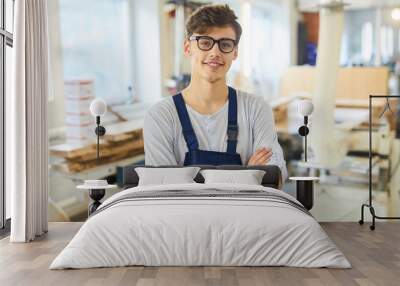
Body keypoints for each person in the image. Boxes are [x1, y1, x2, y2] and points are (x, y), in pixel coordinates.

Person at [144, 4, 287, 181]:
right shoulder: (161, 115)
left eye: (225, 44)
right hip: (185, 210)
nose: (215, 52)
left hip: (245, 210)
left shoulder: (255, 109)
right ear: (188, 47)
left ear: (235, 52)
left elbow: (273, 177)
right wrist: (247, 176)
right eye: (205, 43)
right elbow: (164, 188)